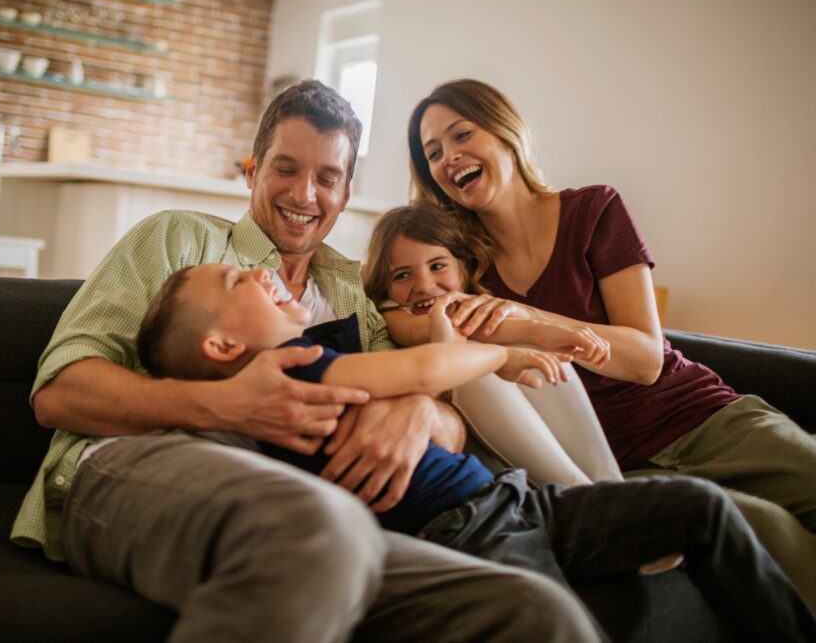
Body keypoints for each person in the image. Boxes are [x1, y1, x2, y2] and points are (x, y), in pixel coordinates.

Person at [10, 79, 604, 643]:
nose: (304, 195)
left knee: (534, 610)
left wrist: (423, 414)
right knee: (318, 528)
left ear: (345, 193)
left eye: (327, 177)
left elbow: (440, 410)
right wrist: (225, 405)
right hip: (148, 465)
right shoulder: (180, 241)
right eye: (286, 169)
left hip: (327, 508)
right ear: (253, 171)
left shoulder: (353, 291)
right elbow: (60, 392)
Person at [134, 260, 815, 641]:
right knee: (560, 623)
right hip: (470, 530)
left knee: (700, 507)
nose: (257, 272)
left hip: (519, 503)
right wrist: (506, 353)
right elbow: (428, 369)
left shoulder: (312, 357)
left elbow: (426, 380)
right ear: (223, 346)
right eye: (236, 283)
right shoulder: (294, 371)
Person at [406, 77, 816, 613]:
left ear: (505, 131)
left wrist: (532, 318)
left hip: (702, 419)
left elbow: (645, 359)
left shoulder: (594, 210)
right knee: (774, 535)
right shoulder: (461, 269)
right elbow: (406, 316)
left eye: (462, 135)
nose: (449, 158)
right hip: (620, 464)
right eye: (433, 153)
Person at [362, 200, 622, 488]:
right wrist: (541, 330)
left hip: (498, 417)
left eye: (437, 266)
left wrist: (539, 337)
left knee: (532, 352)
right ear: (385, 284)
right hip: (449, 417)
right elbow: (452, 325)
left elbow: (484, 327)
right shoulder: (394, 313)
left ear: (463, 268)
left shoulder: (479, 303)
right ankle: (575, 489)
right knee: (475, 364)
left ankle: (608, 482)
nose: (424, 285)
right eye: (402, 275)